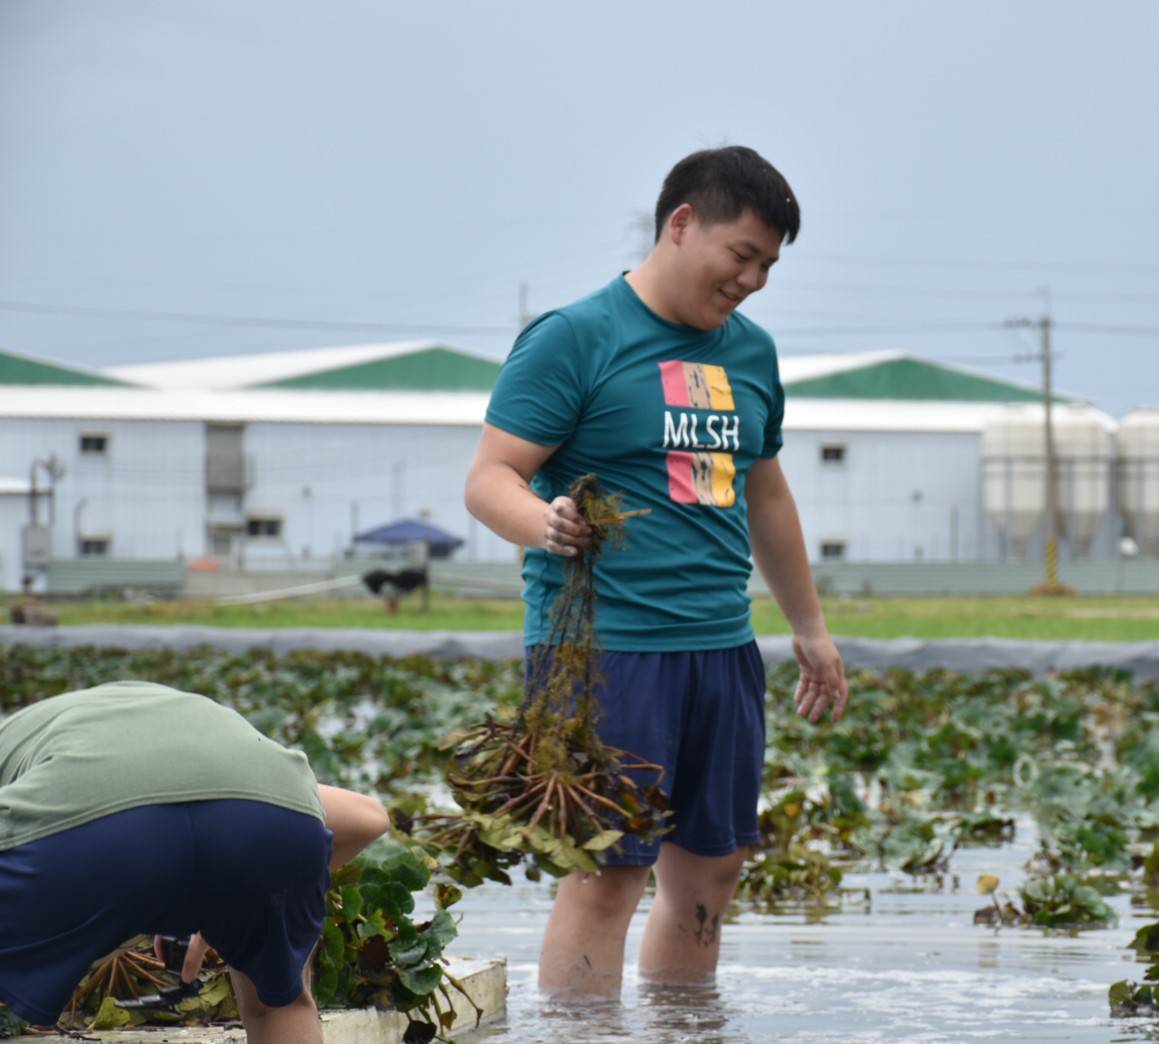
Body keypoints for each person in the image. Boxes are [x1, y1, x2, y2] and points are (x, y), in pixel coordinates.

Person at [465, 144, 849, 998]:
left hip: (721, 648)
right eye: (740, 256)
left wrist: (810, 629)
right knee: (607, 875)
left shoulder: (750, 355)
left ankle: (683, 1026)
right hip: (609, 650)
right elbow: (490, 479)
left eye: (768, 266)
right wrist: (546, 521)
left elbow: (769, 494)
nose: (752, 280)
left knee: (710, 879)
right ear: (681, 225)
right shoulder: (575, 338)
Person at [0, 680, 390, 1042]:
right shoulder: (200, 737)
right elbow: (370, 820)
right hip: (269, 817)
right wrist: (225, 904)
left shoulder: (16, 742)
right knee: (278, 1004)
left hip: (94, 834)